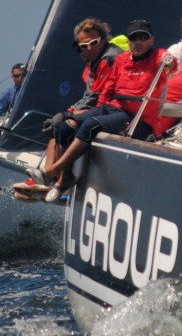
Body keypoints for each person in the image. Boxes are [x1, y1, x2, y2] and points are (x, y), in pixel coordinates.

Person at [28, 19, 167, 202]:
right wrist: (99, 107)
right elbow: (108, 87)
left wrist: (169, 60)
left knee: (91, 125)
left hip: (135, 117)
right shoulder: (122, 59)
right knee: (65, 126)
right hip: (111, 108)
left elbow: (168, 58)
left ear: (151, 40)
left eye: (143, 38)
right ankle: (65, 178)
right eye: (134, 38)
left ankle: (53, 170)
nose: (138, 42)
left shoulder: (158, 57)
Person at [38, 18, 122, 178]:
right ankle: (47, 177)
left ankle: (62, 177)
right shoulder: (93, 60)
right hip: (98, 106)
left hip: (110, 109)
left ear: (103, 39)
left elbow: (97, 96)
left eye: (94, 43)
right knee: (54, 131)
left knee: (64, 125)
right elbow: (89, 95)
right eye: (84, 46)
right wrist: (71, 110)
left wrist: (70, 114)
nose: (89, 48)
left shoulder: (108, 60)